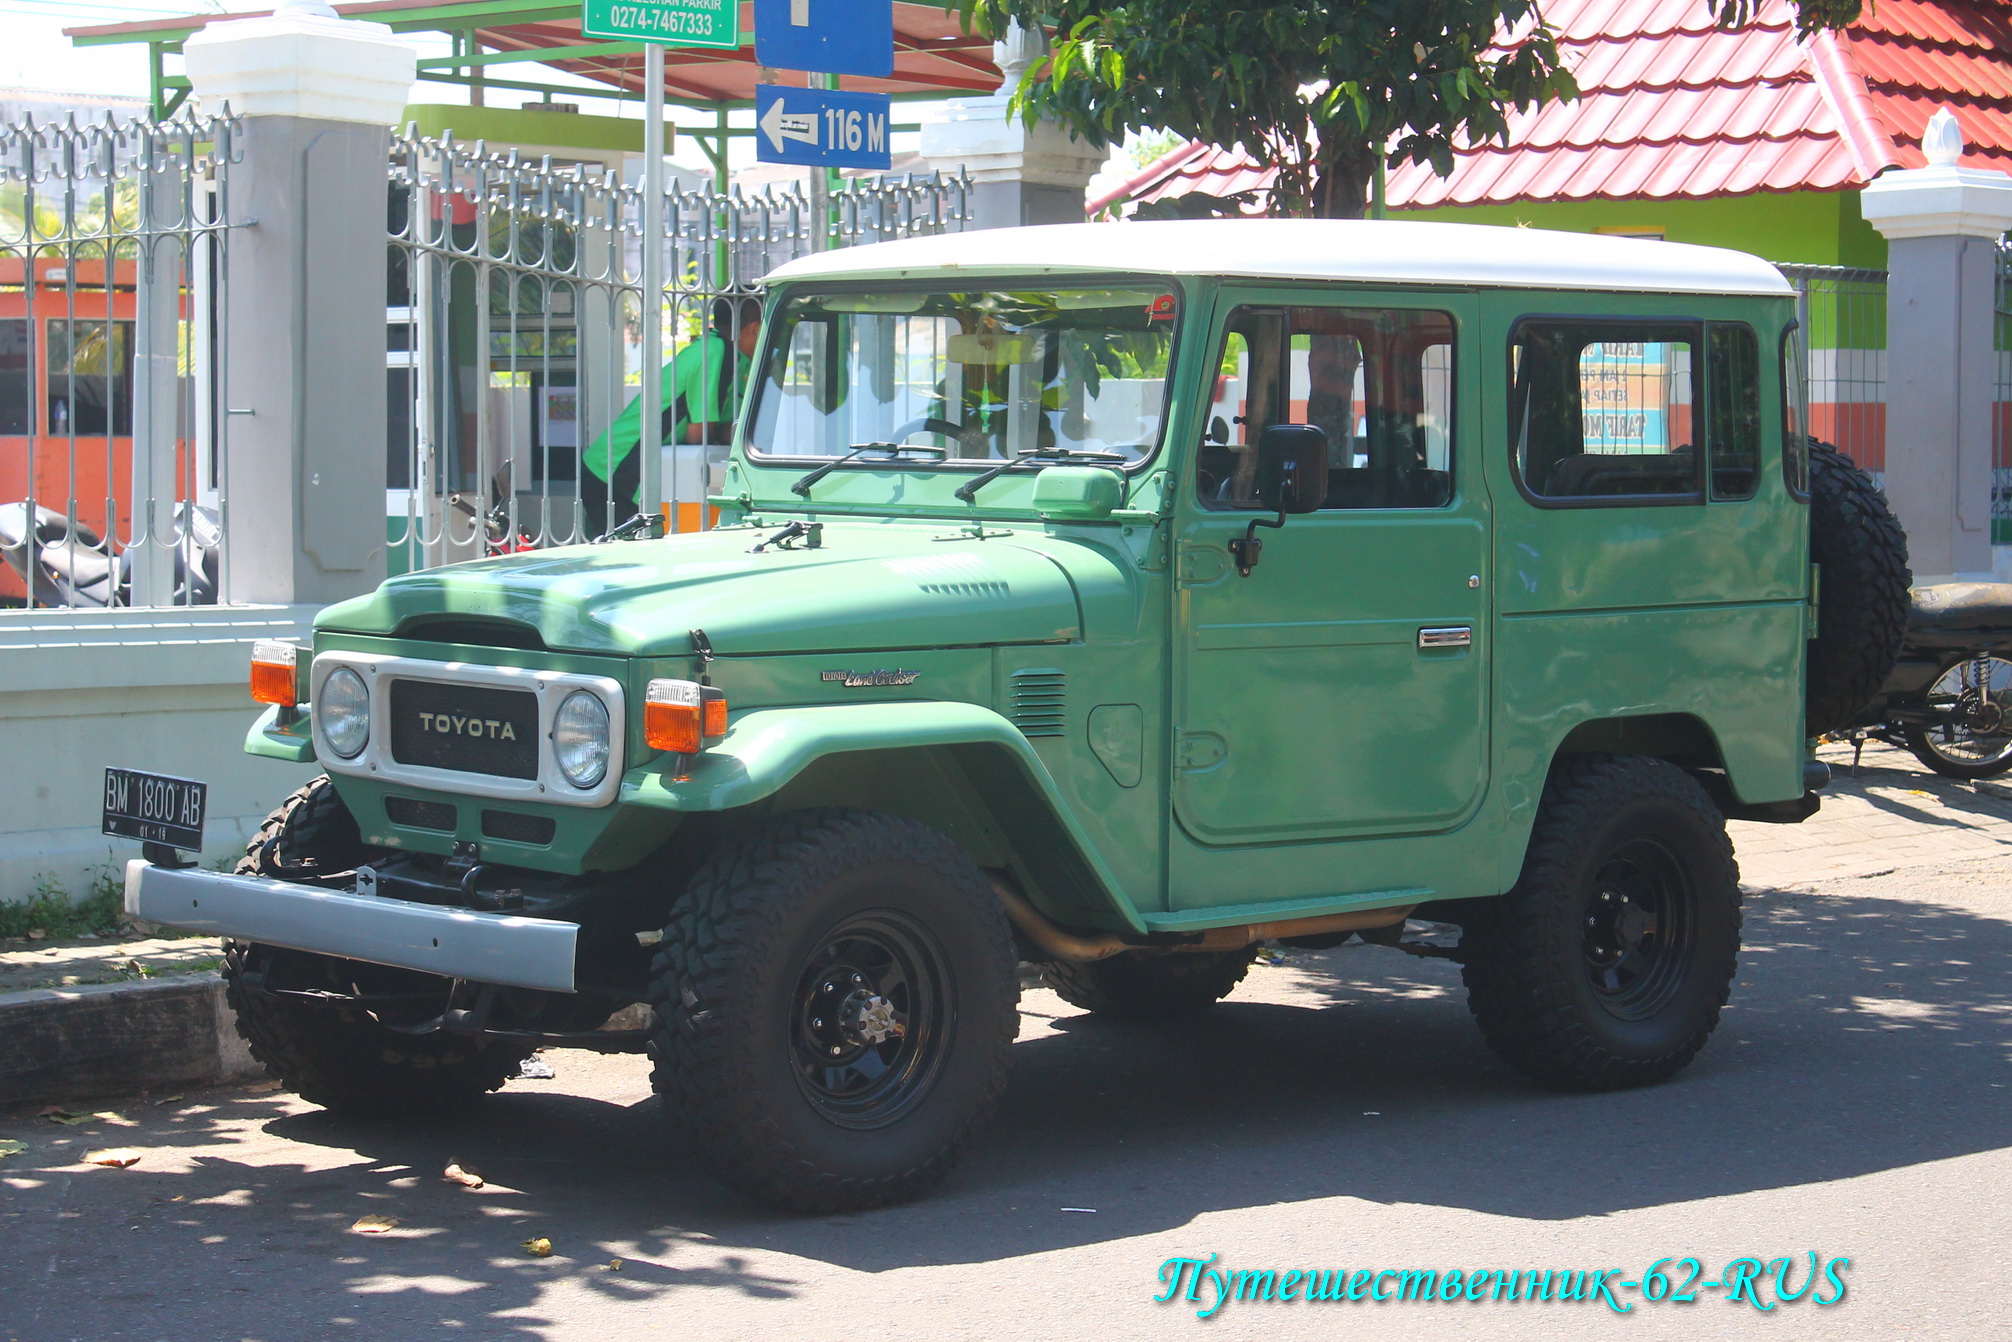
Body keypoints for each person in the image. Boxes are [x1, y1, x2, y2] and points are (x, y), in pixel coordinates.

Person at [580, 296, 762, 537]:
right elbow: (699, 434)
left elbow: (723, 428)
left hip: (631, 472)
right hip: (611, 472)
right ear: (755, 328)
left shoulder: (734, 360)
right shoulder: (714, 353)